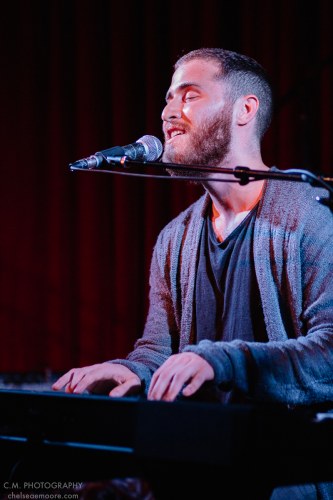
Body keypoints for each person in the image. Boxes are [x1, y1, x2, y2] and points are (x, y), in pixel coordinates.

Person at [53, 48, 333, 498]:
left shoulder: (311, 220)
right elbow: (158, 351)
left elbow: (330, 353)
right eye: (168, 99)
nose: (167, 113)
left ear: (245, 109)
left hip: (283, 481)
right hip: (195, 476)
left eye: (189, 95)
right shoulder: (174, 238)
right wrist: (127, 371)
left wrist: (223, 360)